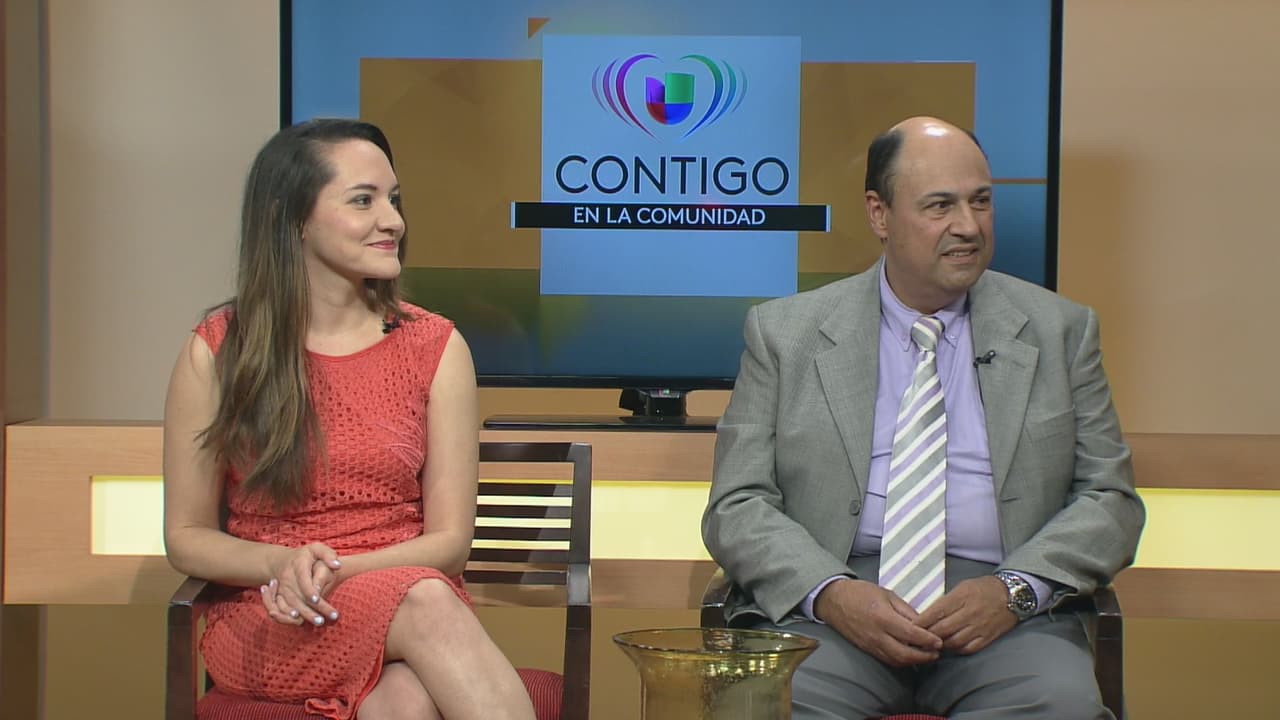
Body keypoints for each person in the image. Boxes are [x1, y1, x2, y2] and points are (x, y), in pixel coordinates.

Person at [702, 116, 1145, 719]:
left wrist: (1014, 590)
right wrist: (831, 593)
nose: (968, 226)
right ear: (879, 214)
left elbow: (1110, 500)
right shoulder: (784, 334)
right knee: (765, 708)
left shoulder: (1060, 330)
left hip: (1006, 614)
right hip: (833, 609)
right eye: (940, 206)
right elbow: (737, 504)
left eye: (980, 201)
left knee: (1061, 707)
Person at [163, 119, 536, 720]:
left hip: (410, 599)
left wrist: (335, 572)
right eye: (364, 201)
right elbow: (186, 535)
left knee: (407, 699)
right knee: (426, 606)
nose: (393, 221)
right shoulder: (218, 350)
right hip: (276, 613)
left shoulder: (435, 346)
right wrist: (282, 566)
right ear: (293, 218)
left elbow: (449, 544)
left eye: (394, 200)